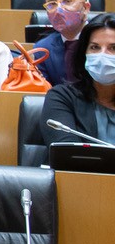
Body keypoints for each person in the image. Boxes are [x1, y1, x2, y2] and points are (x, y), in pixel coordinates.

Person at [42, 14, 115, 146]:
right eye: (95, 47)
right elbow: (68, 156)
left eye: (113, 48)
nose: (102, 55)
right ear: (84, 53)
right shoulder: (61, 97)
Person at [35, 0, 91, 86]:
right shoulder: (42, 49)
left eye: (67, 1)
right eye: (52, 4)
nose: (59, 10)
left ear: (85, 8)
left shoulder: (105, 42)